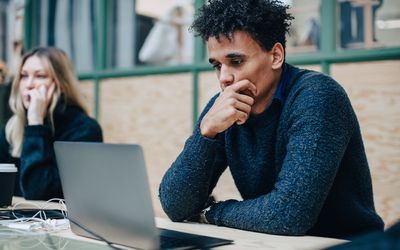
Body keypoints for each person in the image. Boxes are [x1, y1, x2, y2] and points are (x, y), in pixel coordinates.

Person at [159, 0, 384, 239]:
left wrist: (211, 211)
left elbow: (288, 215)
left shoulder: (317, 96)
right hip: (273, 242)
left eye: (236, 61)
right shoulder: (223, 108)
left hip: (345, 244)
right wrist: (205, 133)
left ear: (276, 56)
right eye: (217, 65)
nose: (224, 78)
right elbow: (175, 206)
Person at [0, 47, 103, 200]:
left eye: (40, 76)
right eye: (23, 76)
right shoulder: (11, 130)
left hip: (57, 222)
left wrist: (35, 123)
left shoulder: (84, 130)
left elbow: (39, 191)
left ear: (61, 84)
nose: (29, 84)